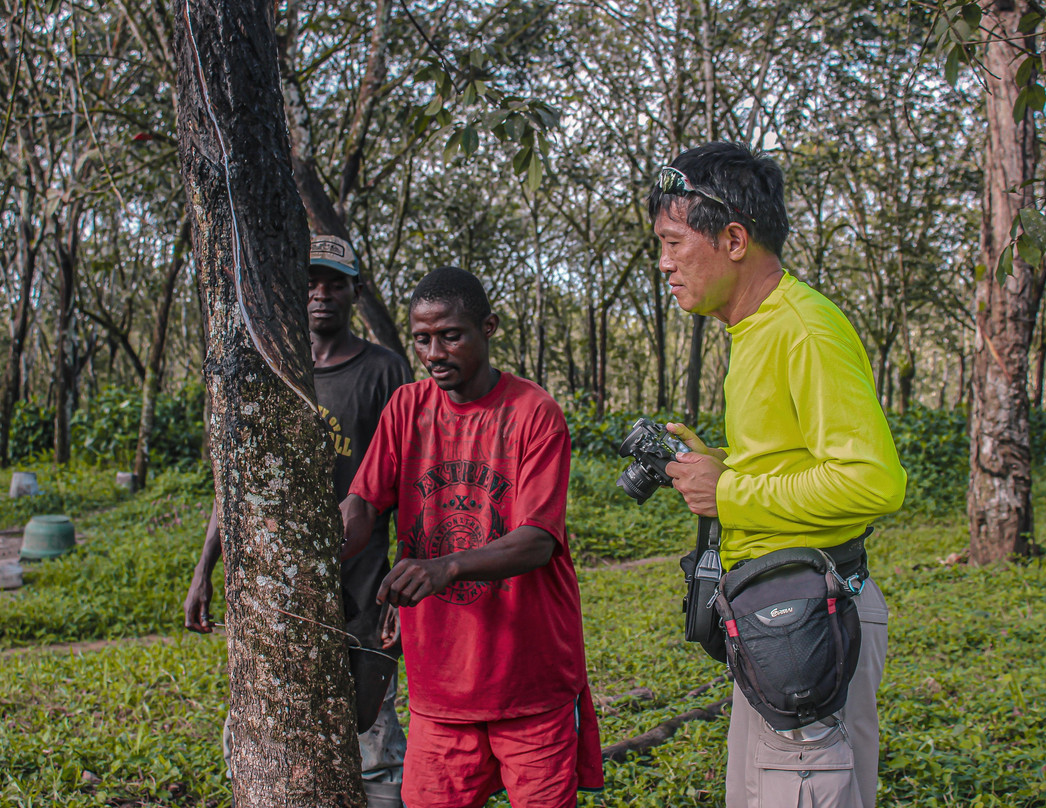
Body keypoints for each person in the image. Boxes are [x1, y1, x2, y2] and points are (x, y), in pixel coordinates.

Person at [648, 143, 906, 808]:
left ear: (734, 240)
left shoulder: (803, 329)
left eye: (674, 243)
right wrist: (721, 467)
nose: (664, 263)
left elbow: (872, 481)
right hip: (778, 620)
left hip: (809, 621)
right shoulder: (755, 330)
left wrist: (729, 491)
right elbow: (796, 462)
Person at [339, 266, 603, 808]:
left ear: (488, 327)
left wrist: (446, 567)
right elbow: (363, 503)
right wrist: (320, 552)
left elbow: (538, 539)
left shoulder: (533, 413)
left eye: (450, 336)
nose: (434, 353)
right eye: (422, 339)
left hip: (530, 683)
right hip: (439, 689)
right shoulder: (406, 408)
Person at [183, 234, 412, 807]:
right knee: (263, 729)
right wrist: (204, 569)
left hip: (364, 586)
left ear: (355, 292)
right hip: (277, 590)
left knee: (374, 738)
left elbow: (412, 481)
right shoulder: (269, 370)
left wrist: (403, 579)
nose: (321, 295)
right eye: (310, 283)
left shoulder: (385, 371)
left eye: (335, 283)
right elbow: (238, 482)